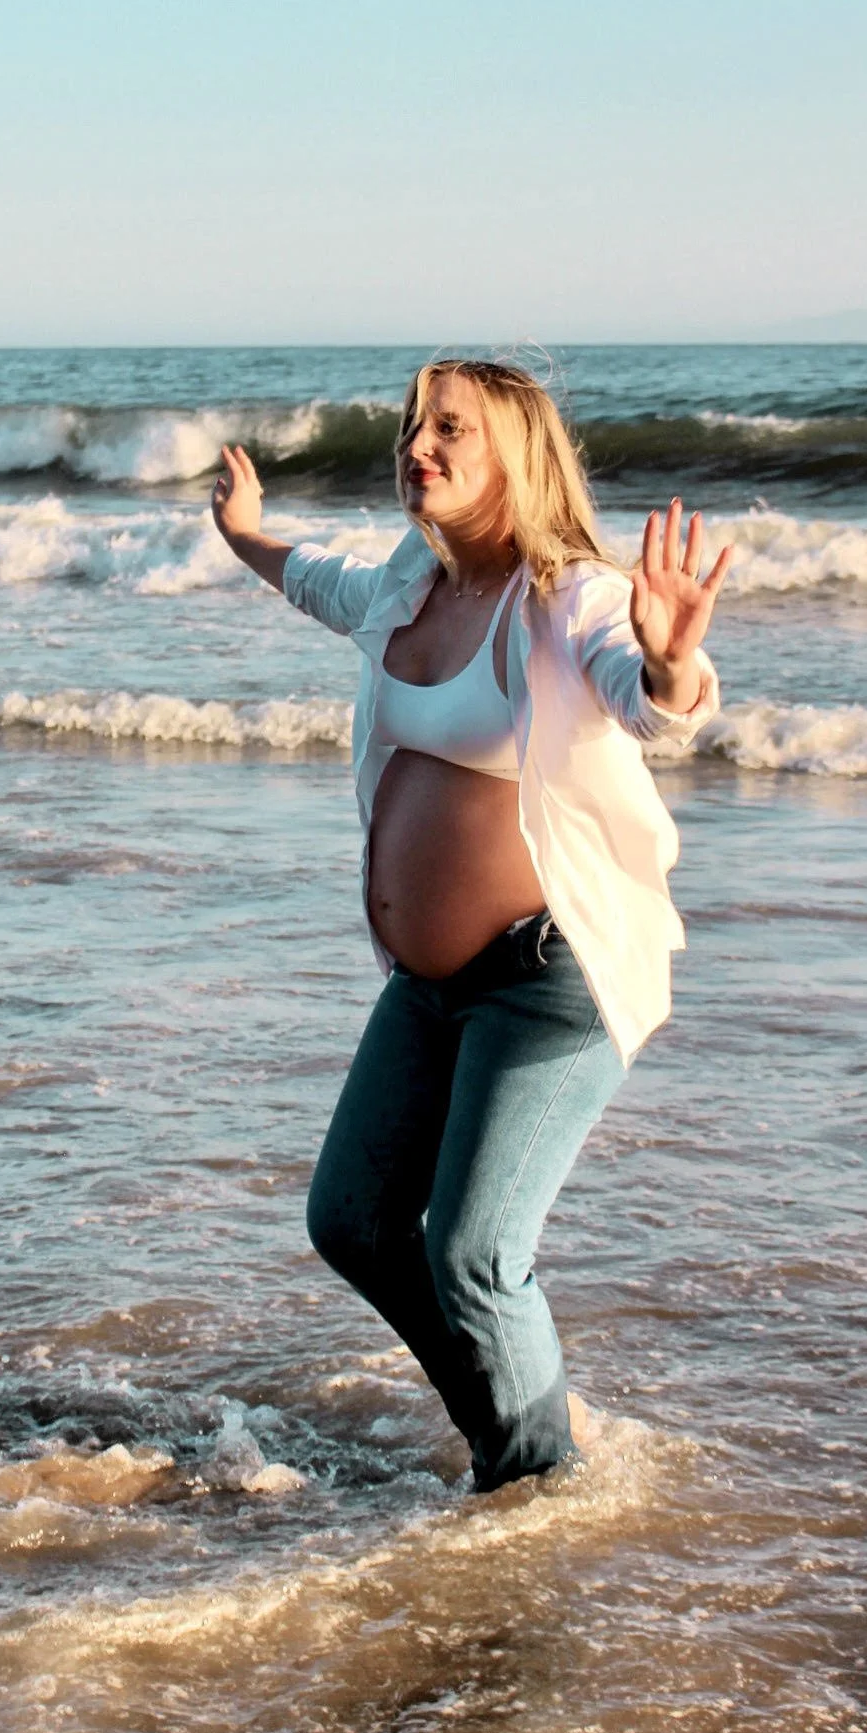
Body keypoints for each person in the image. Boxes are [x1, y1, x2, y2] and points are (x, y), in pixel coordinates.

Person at [210, 356, 730, 1490]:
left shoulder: (571, 597)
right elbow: (321, 583)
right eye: (413, 426)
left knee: (475, 1255)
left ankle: (535, 1485)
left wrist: (672, 665)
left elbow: (646, 701)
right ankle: (518, 1431)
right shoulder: (409, 581)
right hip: (429, 985)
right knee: (352, 1220)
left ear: (517, 457)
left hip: (547, 979)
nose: (418, 447)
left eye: (451, 430)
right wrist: (246, 537)